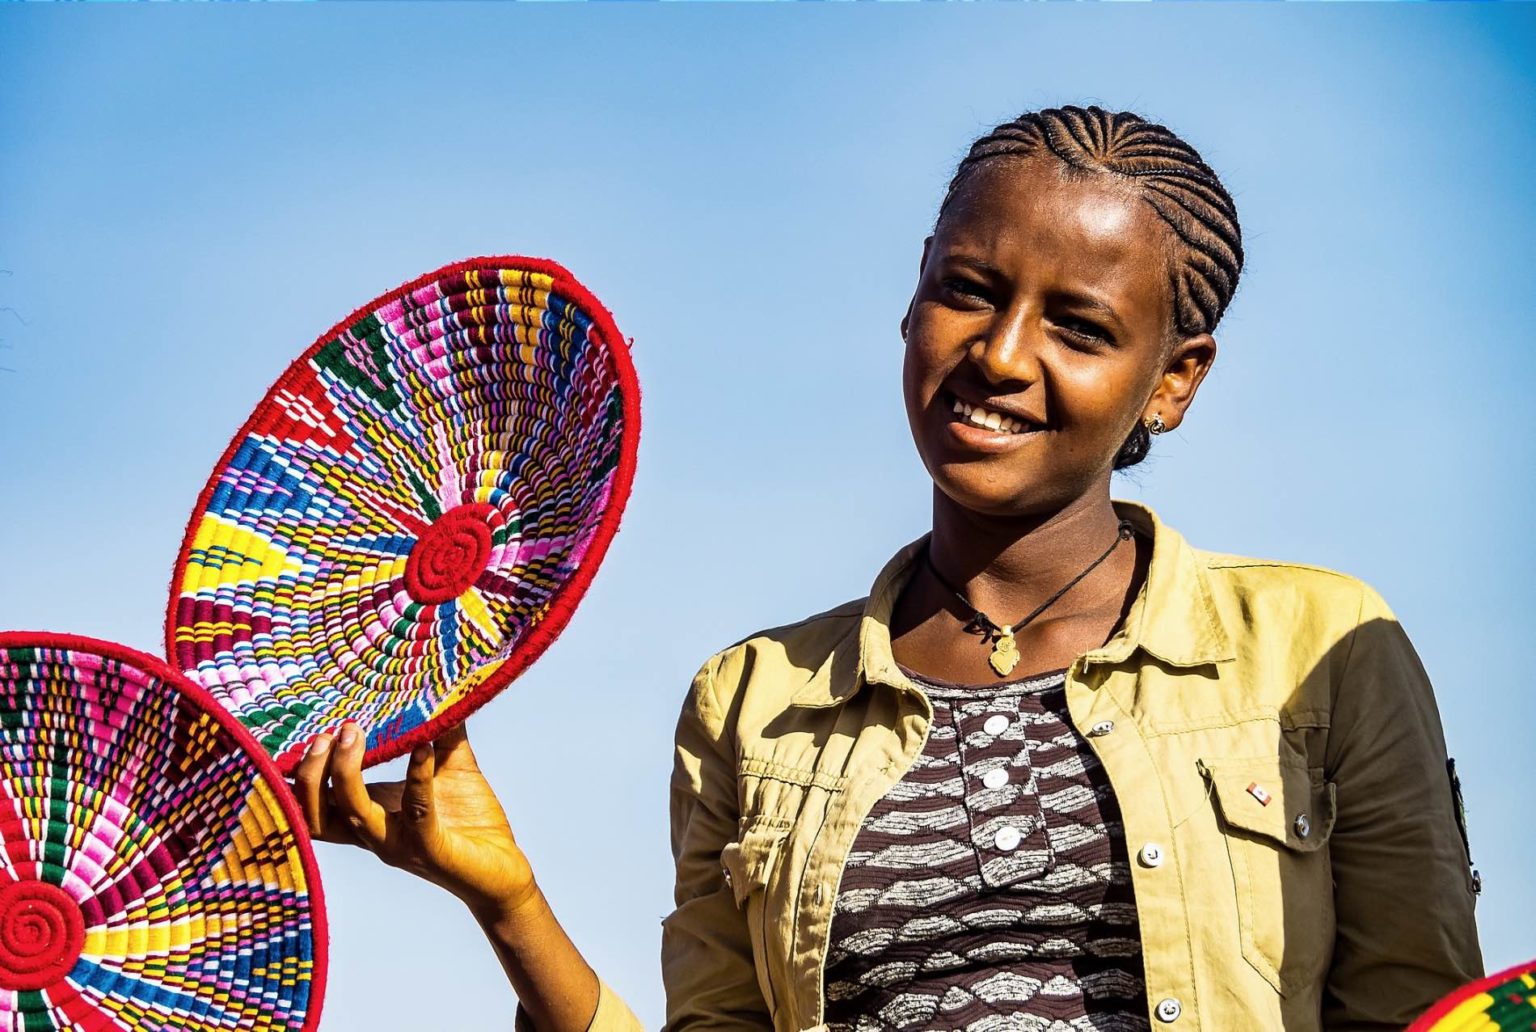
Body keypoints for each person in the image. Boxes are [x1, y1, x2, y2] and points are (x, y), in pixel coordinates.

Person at [291, 105, 1484, 1031]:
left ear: (1172, 380)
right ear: (914, 290)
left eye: (1078, 326)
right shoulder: (754, 705)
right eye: (967, 291)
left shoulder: (1316, 650)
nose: (1001, 355)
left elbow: (1423, 1009)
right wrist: (506, 901)